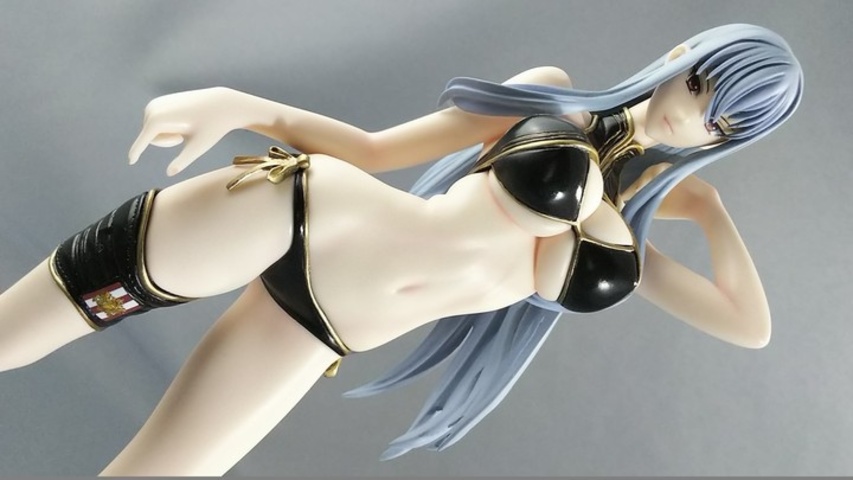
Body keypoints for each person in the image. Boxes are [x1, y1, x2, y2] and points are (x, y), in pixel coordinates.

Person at [0, 24, 802, 476]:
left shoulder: (636, 220)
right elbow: (374, 150)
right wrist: (240, 104)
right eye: (700, 86)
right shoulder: (550, 99)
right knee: (13, 336)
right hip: (297, 211)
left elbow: (747, 325)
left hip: (316, 331)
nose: (692, 117)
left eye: (721, 124)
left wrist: (711, 209)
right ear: (679, 56)